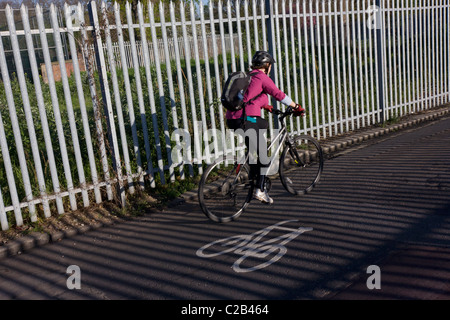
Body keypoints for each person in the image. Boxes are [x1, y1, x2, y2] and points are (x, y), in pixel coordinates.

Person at [226, 51, 305, 204]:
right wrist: (296, 106)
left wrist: (266, 106)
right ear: (267, 66)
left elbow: (249, 98)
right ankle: (259, 190)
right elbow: (278, 94)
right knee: (264, 155)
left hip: (232, 119)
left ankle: (252, 174)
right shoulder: (262, 77)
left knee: (262, 127)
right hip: (246, 120)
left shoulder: (249, 77)